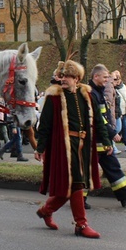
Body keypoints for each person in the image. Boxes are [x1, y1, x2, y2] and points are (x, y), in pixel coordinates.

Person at [34, 60, 105, 238]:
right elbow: (45, 125)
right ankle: (81, 224)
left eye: (68, 76)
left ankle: (45, 211)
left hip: (84, 146)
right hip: (64, 146)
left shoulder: (87, 96)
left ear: (77, 78)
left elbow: (98, 120)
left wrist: (107, 141)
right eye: (62, 76)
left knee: (72, 185)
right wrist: (40, 147)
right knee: (76, 185)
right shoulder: (54, 97)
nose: (63, 79)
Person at [89, 64, 126, 207]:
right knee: (87, 172)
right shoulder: (92, 94)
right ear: (96, 76)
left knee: (114, 167)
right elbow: (98, 119)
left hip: (102, 140)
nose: (107, 80)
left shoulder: (98, 92)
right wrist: (112, 133)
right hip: (93, 142)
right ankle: (78, 200)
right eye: (105, 77)